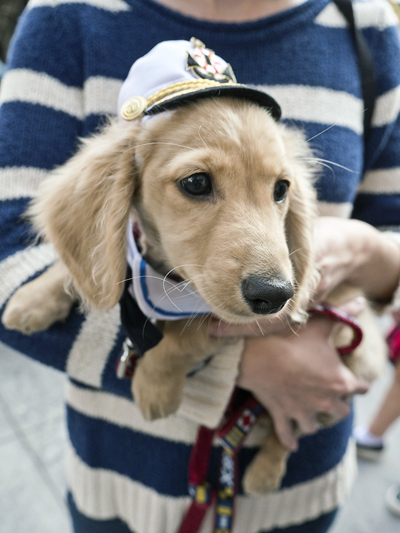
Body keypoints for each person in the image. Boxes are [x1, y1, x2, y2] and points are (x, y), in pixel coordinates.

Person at [1, 1, 400, 532]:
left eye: (279, 189)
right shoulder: (67, 15)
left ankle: (275, 451)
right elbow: (21, 254)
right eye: (197, 183)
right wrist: (219, 363)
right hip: (121, 487)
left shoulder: (367, 21)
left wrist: (366, 250)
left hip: (300, 489)